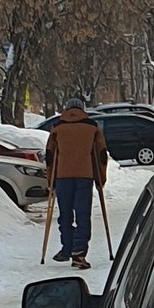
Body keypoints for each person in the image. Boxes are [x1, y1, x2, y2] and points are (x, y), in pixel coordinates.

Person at [44, 100, 109, 270]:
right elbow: (101, 154)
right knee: (82, 214)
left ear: (66, 109)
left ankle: (67, 248)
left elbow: (50, 155)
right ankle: (79, 252)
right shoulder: (92, 127)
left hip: (62, 177)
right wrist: (100, 178)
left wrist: (50, 179)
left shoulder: (57, 127)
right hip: (84, 176)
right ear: (82, 109)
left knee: (65, 214)